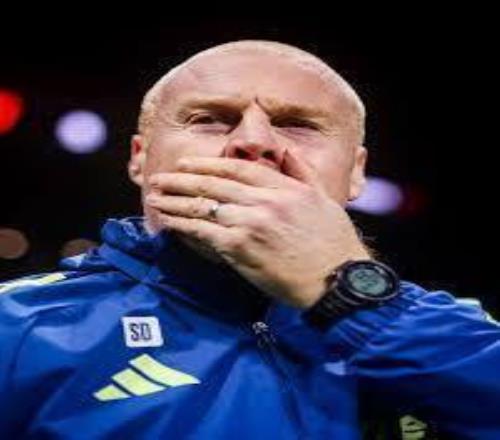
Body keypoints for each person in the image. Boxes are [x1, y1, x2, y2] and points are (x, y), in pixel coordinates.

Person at [0, 40, 498, 439]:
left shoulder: (455, 334)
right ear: (140, 158)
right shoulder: (15, 326)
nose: (254, 141)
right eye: (209, 119)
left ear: (356, 173)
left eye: (298, 125)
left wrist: (356, 300)